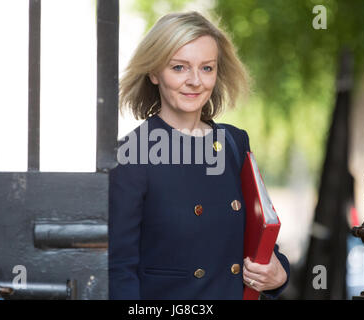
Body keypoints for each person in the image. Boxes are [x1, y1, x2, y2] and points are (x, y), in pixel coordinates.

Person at [109, 11, 290, 300]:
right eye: (179, 67)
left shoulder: (234, 143)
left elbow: (259, 239)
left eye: (207, 68)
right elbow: (119, 270)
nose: (195, 81)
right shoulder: (132, 154)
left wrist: (279, 274)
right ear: (154, 73)